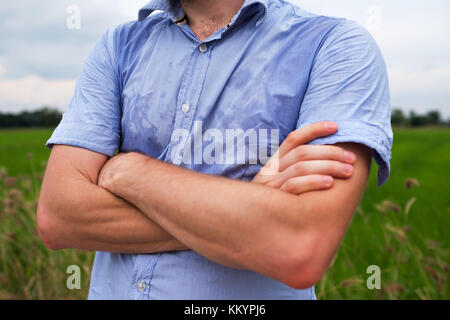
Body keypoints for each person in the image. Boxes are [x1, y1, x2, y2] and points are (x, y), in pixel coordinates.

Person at [37, 0, 393, 299]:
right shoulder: (118, 45)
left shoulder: (335, 46)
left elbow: (298, 249)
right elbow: (59, 218)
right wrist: (245, 212)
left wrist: (129, 171)